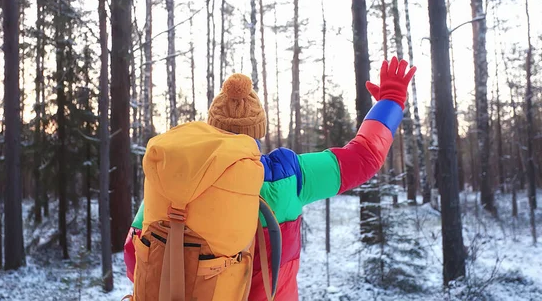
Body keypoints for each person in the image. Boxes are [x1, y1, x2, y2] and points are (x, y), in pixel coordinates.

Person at [124, 56, 416, 301]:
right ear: (258, 131)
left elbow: (134, 255)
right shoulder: (287, 174)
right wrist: (390, 102)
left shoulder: (173, 179)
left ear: (212, 126)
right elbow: (364, 157)